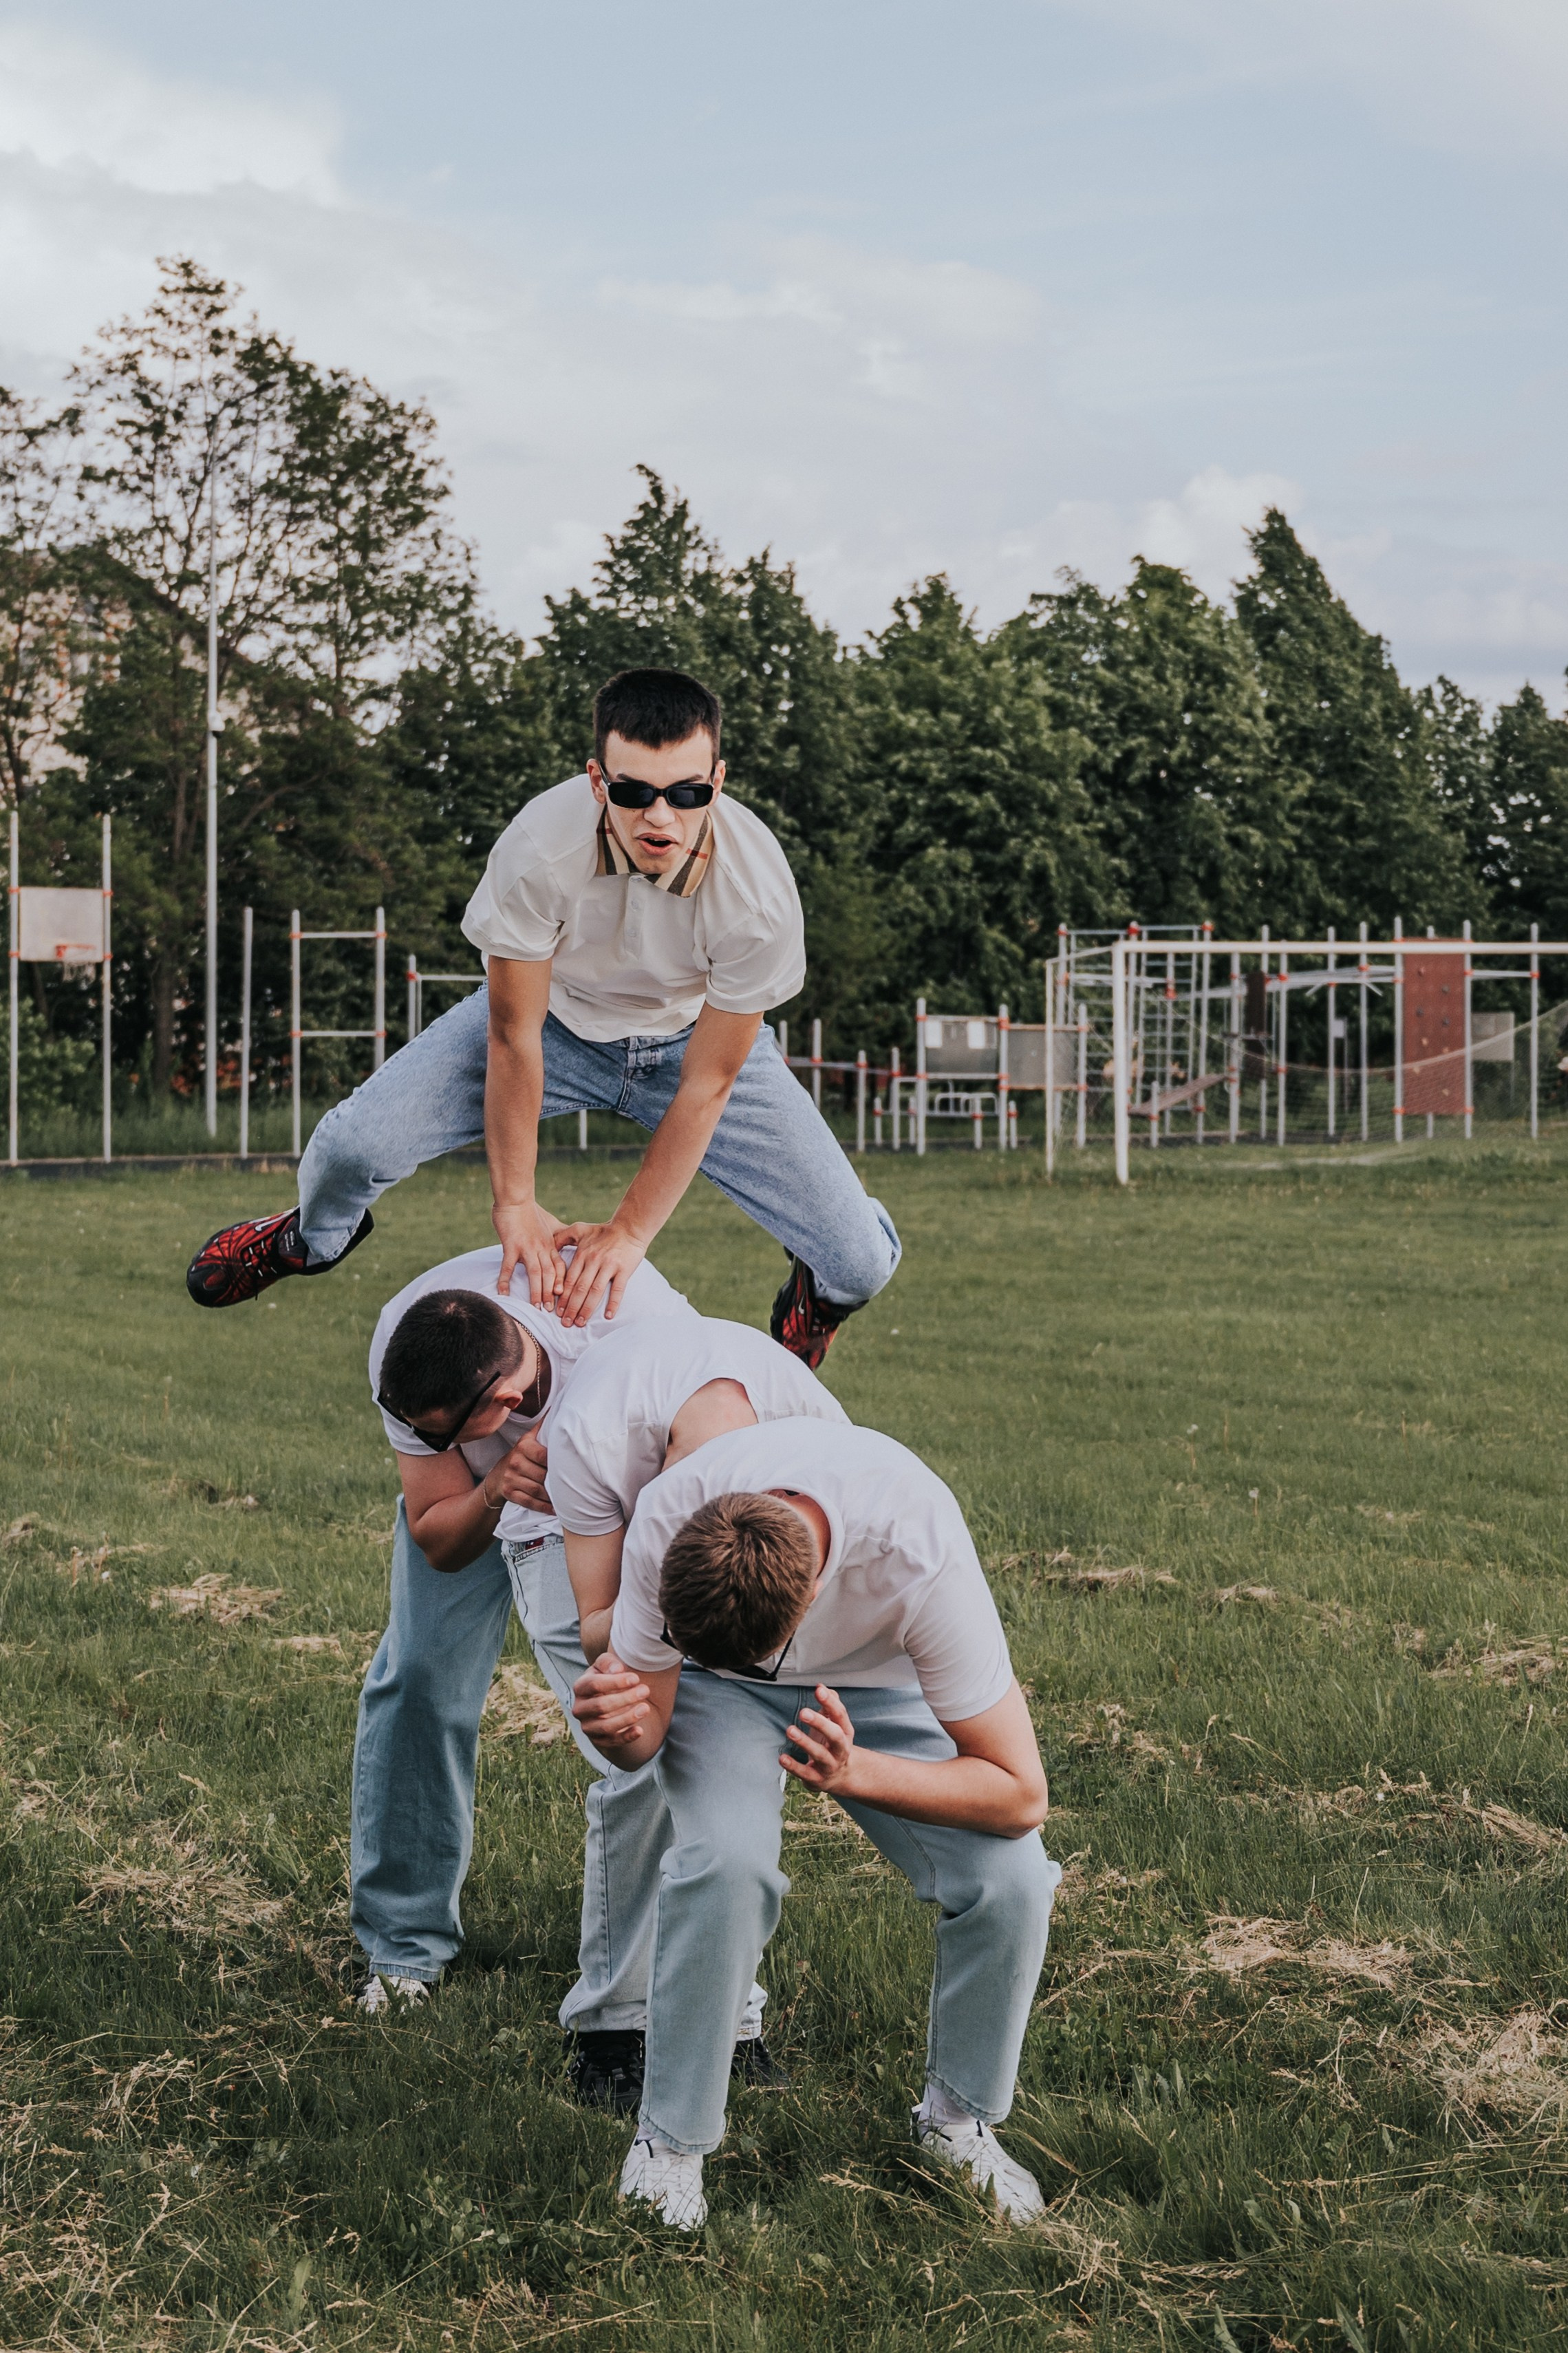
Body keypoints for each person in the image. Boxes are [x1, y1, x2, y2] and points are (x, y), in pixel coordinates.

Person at [186, 666, 899, 1367]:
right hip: (553, 1028)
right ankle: (308, 1241)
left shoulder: (758, 894)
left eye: (685, 793)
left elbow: (708, 1082)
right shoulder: (538, 848)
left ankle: (817, 1296)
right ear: (597, 781)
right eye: (633, 792)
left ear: (716, 780)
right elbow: (512, 1034)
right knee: (350, 1149)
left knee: (861, 1262)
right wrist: (515, 1203)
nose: (659, 816)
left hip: (689, 1043)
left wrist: (628, 1233)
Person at [571, 1418, 1061, 2232]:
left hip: (878, 1685)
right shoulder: (670, 1517)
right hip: (721, 1694)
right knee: (725, 1864)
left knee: (1009, 1878)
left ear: (809, 1610)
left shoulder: (918, 1550)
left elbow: (1019, 1793)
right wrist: (613, 1727)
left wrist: (853, 1770)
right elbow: (643, 1736)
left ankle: (956, 2120)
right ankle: (669, 2141)